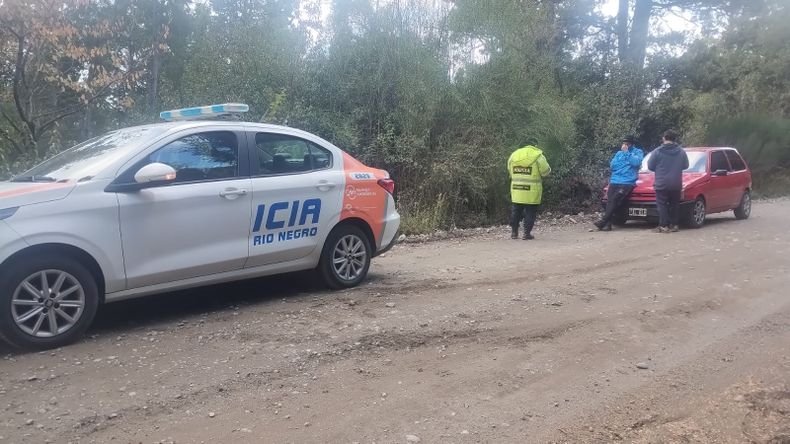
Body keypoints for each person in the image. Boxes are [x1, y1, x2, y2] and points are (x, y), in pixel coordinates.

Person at [594, 135, 644, 231]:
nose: (625, 145)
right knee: (610, 200)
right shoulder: (618, 153)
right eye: (624, 143)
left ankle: (603, 221)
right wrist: (626, 163)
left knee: (615, 199)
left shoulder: (638, 152)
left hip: (627, 181)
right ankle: (607, 225)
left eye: (627, 143)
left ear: (632, 143)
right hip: (614, 180)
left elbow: (636, 163)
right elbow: (613, 166)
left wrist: (626, 154)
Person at [508, 140, 551, 240]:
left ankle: (514, 233)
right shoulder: (538, 156)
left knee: (516, 210)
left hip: (517, 190)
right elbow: (546, 171)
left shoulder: (514, 155)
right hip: (532, 191)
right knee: (530, 211)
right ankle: (526, 234)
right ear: (534, 146)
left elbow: (510, 171)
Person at [648, 130, 688, 233]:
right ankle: (674, 225)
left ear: (664, 138)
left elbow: (650, 166)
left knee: (662, 204)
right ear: (675, 139)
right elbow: (686, 165)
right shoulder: (681, 151)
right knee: (674, 204)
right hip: (676, 183)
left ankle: (663, 225)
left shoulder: (657, 151)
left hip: (662, 183)